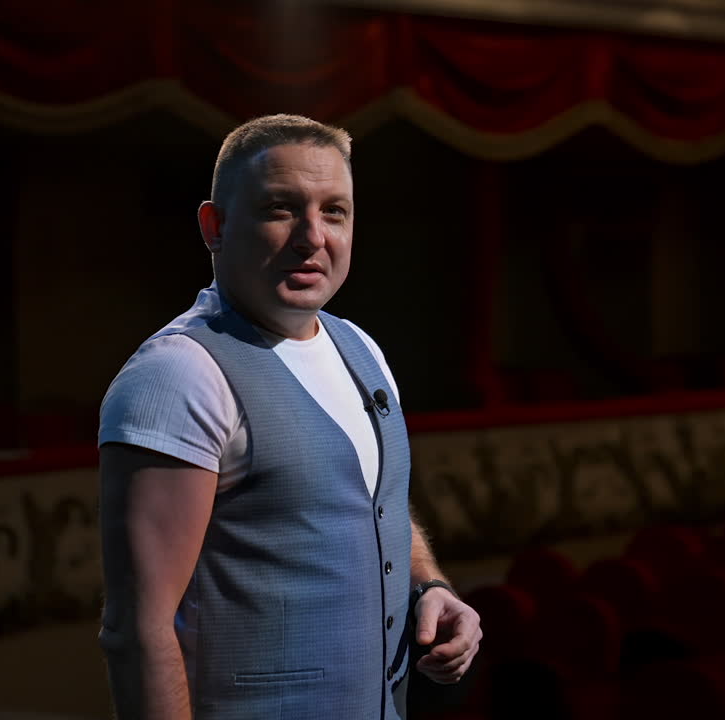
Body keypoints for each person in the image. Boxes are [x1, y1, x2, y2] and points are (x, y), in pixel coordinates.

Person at [97, 114, 482, 720]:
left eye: (335, 212)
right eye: (281, 208)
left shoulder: (361, 348)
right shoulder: (178, 375)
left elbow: (370, 507)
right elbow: (136, 631)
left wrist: (428, 585)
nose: (312, 237)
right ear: (214, 226)